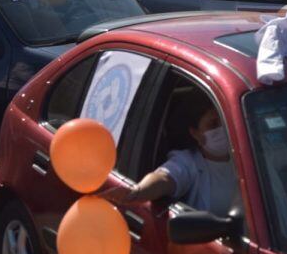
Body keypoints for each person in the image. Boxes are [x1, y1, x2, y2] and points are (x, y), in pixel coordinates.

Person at [101, 88, 238, 216]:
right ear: (195, 133)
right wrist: (138, 192)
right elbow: (164, 177)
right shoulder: (188, 162)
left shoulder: (250, 156)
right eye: (213, 124)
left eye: (225, 122)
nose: (222, 129)